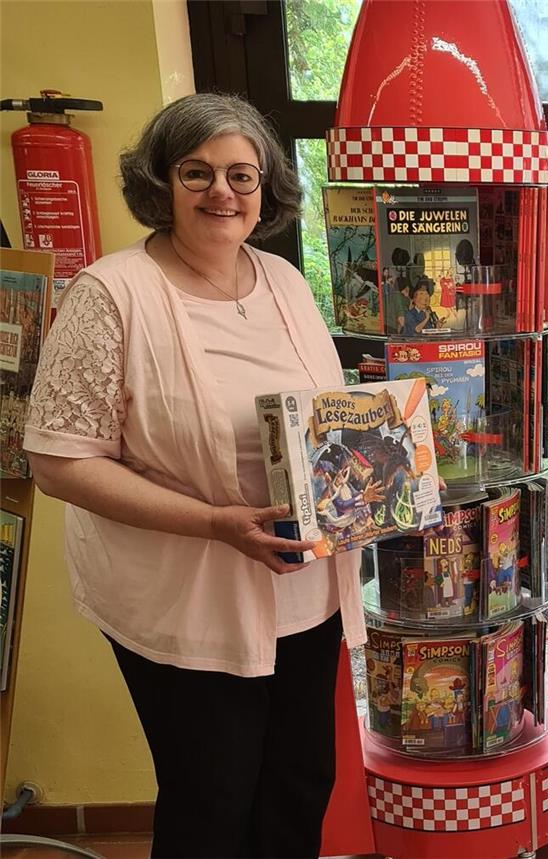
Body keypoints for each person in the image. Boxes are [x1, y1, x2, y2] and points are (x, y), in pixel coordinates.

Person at [23, 93, 365, 858]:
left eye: (243, 175)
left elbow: (318, 417)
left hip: (304, 587)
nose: (223, 192)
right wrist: (215, 521)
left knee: (300, 781)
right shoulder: (111, 293)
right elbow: (57, 461)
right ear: (161, 182)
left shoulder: (282, 279)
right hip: (187, 598)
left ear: (267, 187)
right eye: (198, 172)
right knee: (213, 799)